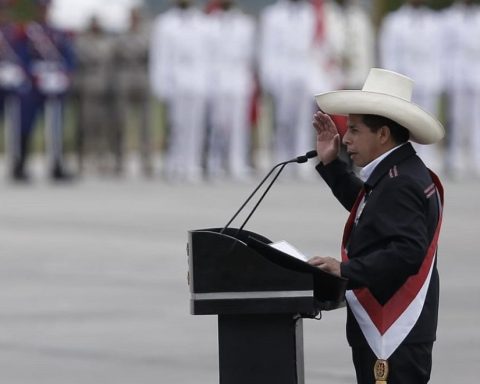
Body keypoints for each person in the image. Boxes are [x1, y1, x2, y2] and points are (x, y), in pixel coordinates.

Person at [309, 68, 444, 383]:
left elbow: (407, 252)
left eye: (354, 130)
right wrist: (331, 164)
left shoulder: (402, 182)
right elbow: (374, 213)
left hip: (395, 336)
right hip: (396, 335)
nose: (346, 138)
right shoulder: (399, 172)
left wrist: (344, 270)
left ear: (383, 134)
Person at [258, 0, 343, 177]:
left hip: (305, 69)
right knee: (283, 120)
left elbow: (318, 43)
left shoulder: (311, 12)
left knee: (306, 119)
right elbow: (268, 48)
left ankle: (302, 157)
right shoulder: (273, 14)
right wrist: (270, 77)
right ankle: (283, 156)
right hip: (283, 70)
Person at [378, 0, 444, 172]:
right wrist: (392, 82)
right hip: (404, 79)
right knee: (403, 122)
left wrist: (438, 77)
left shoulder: (435, 21)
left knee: (428, 120)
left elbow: (439, 52)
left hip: (428, 78)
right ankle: (404, 158)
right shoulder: (394, 21)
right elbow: (388, 53)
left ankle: (428, 158)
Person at [149, 0, 210, 183]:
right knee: (177, 125)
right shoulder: (165, 23)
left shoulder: (203, 22)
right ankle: (175, 163)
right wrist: (160, 83)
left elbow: (208, 55)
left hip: (197, 79)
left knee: (196, 125)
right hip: (176, 78)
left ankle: (192, 164)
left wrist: (208, 82)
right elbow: (159, 56)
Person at [16, 0, 75, 181]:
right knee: (27, 125)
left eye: (46, 8)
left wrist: (66, 73)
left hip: (54, 82)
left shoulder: (58, 33)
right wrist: (31, 74)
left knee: (55, 125)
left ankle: (56, 165)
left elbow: (68, 56)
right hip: (34, 86)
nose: (44, 11)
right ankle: (21, 165)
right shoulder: (28, 32)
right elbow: (22, 56)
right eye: (41, 8)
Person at [204, 0, 256, 181]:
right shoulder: (208, 24)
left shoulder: (246, 24)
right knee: (218, 123)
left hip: (238, 78)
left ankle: (237, 162)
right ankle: (214, 162)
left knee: (238, 125)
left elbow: (249, 55)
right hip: (217, 79)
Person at [441, 0, 480, 179]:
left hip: (476, 72)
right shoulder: (449, 17)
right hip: (457, 73)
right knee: (456, 118)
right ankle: (455, 158)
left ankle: (475, 157)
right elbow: (444, 49)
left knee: (476, 119)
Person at [112, 7, 152, 177]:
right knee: (122, 121)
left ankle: (146, 161)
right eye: (132, 17)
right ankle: (120, 160)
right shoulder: (121, 37)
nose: (134, 20)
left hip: (142, 77)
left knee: (145, 123)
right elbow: (115, 58)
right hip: (125, 78)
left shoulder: (148, 35)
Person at [74, 15, 116, 175]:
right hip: (87, 88)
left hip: (104, 88)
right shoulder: (82, 42)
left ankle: (102, 158)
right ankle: (84, 158)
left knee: (104, 126)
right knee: (86, 125)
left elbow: (110, 64)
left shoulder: (107, 42)